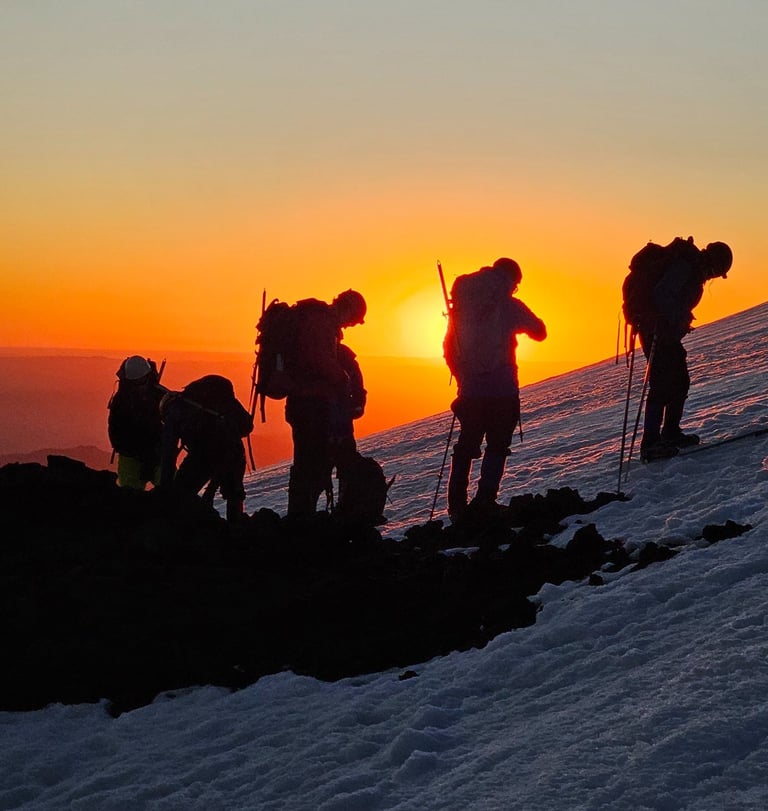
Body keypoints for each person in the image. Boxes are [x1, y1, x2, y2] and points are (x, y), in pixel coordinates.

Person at [443, 257, 547, 523]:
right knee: (497, 445)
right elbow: (540, 332)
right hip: (502, 388)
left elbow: (448, 346)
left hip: (471, 390)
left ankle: (456, 507)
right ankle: (485, 501)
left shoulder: (462, 304)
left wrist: (464, 376)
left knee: (466, 445)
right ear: (512, 280)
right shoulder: (508, 303)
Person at [637, 239, 733, 462]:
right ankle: (650, 444)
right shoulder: (686, 266)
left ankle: (669, 433)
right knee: (661, 385)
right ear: (715, 263)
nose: (715, 276)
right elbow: (661, 295)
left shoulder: (693, 269)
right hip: (656, 330)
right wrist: (678, 316)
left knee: (679, 380)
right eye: (718, 272)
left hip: (662, 331)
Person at [284, 289, 367, 519]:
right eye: (353, 320)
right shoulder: (322, 323)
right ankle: (301, 522)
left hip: (304, 405)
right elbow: (319, 360)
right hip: (311, 407)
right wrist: (343, 379)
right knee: (311, 466)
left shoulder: (318, 321)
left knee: (307, 464)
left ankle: (301, 520)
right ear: (348, 308)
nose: (350, 325)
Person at [159, 375, 254, 522]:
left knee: (182, 493)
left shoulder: (174, 415)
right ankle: (235, 531)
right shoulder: (207, 403)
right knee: (234, 494)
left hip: (207, 454)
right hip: (232, 450)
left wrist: (165, 487)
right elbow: (245, 427)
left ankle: (186, 528)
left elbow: (168, 454)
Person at [107, 355, 166, 490]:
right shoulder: (121, 401)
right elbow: (115, 430)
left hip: (157, 454)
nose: (139, 386)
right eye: (136, 383)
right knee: (129, 495)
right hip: (131, 455)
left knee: (170, 489)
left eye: (142, 382)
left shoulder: (159, 394)